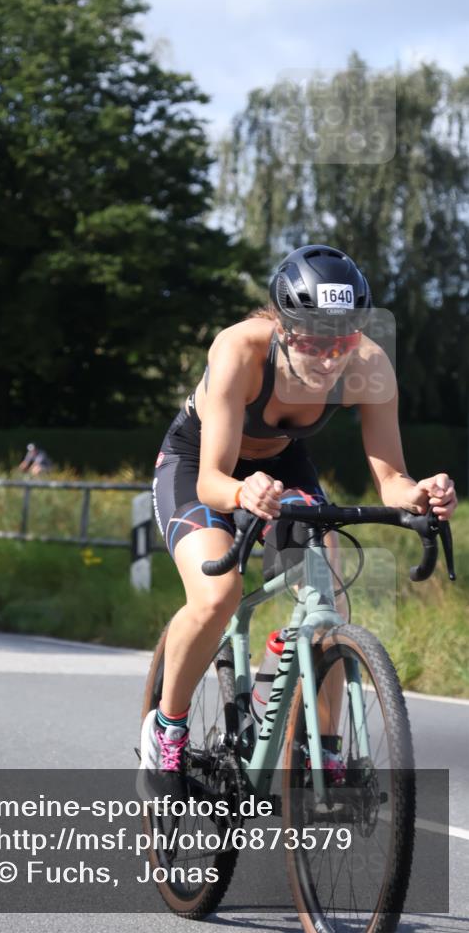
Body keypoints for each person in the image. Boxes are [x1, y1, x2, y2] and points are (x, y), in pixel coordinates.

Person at [140, 244, 457, 795]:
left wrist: (422, 493)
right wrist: (242, 491)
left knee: (326, 598)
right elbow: (214, 478)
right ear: (284, 329)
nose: (331, 357)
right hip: (199, 466)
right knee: (219, 594)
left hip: (284, 469)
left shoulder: (370, 364)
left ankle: (321, 749)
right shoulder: (239, 348)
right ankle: (166, 730)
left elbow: (392, 479)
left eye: (344, 339)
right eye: (314, 339)